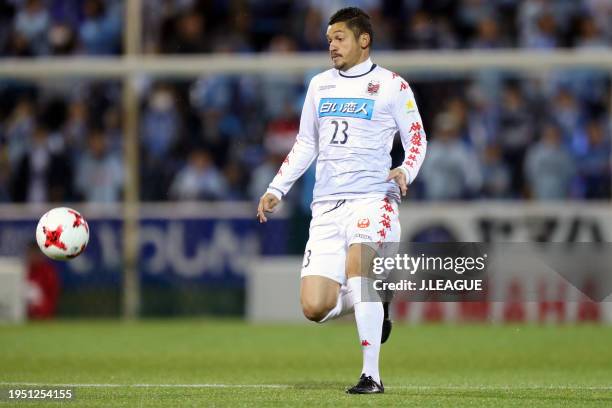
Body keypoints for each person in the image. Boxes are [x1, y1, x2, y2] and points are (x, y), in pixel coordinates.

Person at [256, 7, 427, 394]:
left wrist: (405, 170)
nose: (331, 45)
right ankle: (378, 299)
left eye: (339, 38)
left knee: (358, 269)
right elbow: (305, 143)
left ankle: (371, 376)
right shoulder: (319, 86)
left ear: (363, 39)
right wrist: (276, 188)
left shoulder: (391, 85)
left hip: (372, 199)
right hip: (326, 207)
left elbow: (417, 137)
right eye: (328, 39)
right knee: (315, 307)